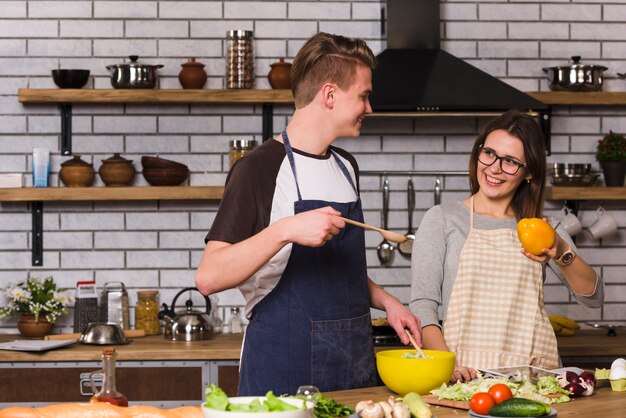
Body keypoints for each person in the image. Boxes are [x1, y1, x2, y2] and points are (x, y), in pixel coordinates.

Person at [195, 32, 422, 396]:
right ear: (329, 95)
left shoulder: (347, 166)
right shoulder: (259, 169)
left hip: (353, 366)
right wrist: (285, 229)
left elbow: (338, 272)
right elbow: (209, 277)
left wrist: (388, 302)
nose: (369, 108)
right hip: (282, 369)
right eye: (364, 96)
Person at [410, 110, 604, 383]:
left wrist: (561, 250)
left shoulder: (543, 229)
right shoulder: (442, 219)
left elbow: (593, 298)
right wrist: (447, 367)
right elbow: (423, 306)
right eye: (489, 153)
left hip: (533, 380)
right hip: (463, 379)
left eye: (511, 161)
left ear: (529, 173)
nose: (494, 168)